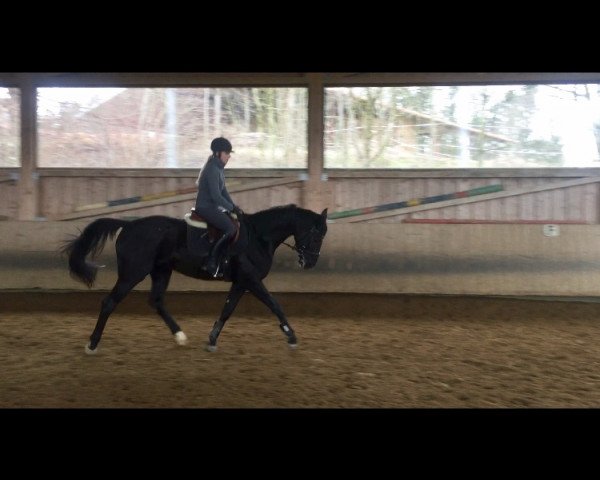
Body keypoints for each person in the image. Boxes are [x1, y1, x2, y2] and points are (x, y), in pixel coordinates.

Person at [194, 137, 243, 277]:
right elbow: (216, 196)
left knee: (234, 222)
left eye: (229, 153)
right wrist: (230, 208)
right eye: (227, 153)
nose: (229, 156)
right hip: (205, 207)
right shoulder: (212, 169)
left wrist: (233, 206)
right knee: (230, 228)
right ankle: (211, 261)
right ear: (217, 153)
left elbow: (223, 191)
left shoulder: (219, 169)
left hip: (214, 207)